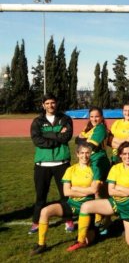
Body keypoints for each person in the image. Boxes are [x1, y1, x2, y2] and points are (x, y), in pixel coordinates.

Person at [66, 142, 129, 251]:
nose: (127, 156)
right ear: (120, 155)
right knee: (85, 206)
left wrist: (119, 187)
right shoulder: (115, 168)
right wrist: (128, 190)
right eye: (124, 154)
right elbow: (111, 191)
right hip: (114, 203)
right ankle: (80, 241)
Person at [30, 144, 100, 255]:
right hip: (71, 204)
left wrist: (75, 188)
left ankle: (83, 238)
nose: (84, 156)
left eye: (87, 153)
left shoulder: (95, 169)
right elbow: (67, 192)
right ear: (77, 154)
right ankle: (41, 244)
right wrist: (86, 190)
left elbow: (94, 190)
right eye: (82, 153)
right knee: (45, 211)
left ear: (90, 154)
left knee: (88, 240)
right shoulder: (70, 170)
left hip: (87, 207)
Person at [30, 93, 74, 234]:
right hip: (42, 164)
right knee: (41, 196)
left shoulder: (65, 119)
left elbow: (66, 136)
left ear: (56, 103)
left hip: (62, 163)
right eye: (47, 103)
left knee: (65, 195)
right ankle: (36, 222)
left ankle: (68, 220)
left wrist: (48, 137)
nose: (50, 105)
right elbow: (37, 140)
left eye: (52, 102)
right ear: (43, 105)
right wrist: (57, 136)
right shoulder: (37, 121)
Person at [75, 106, 111, 228]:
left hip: (99, 162)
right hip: (91, 162)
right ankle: (101, 218)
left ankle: (100, 219)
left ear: (101, 117)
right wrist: (82, 140)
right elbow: (77, 140)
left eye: (97, 116)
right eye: (91, 116)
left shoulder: (100, 128)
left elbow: (89, 145)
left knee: (98, 191)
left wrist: (82, 140)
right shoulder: (90, 128)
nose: (94, 119)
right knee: (98, 191)